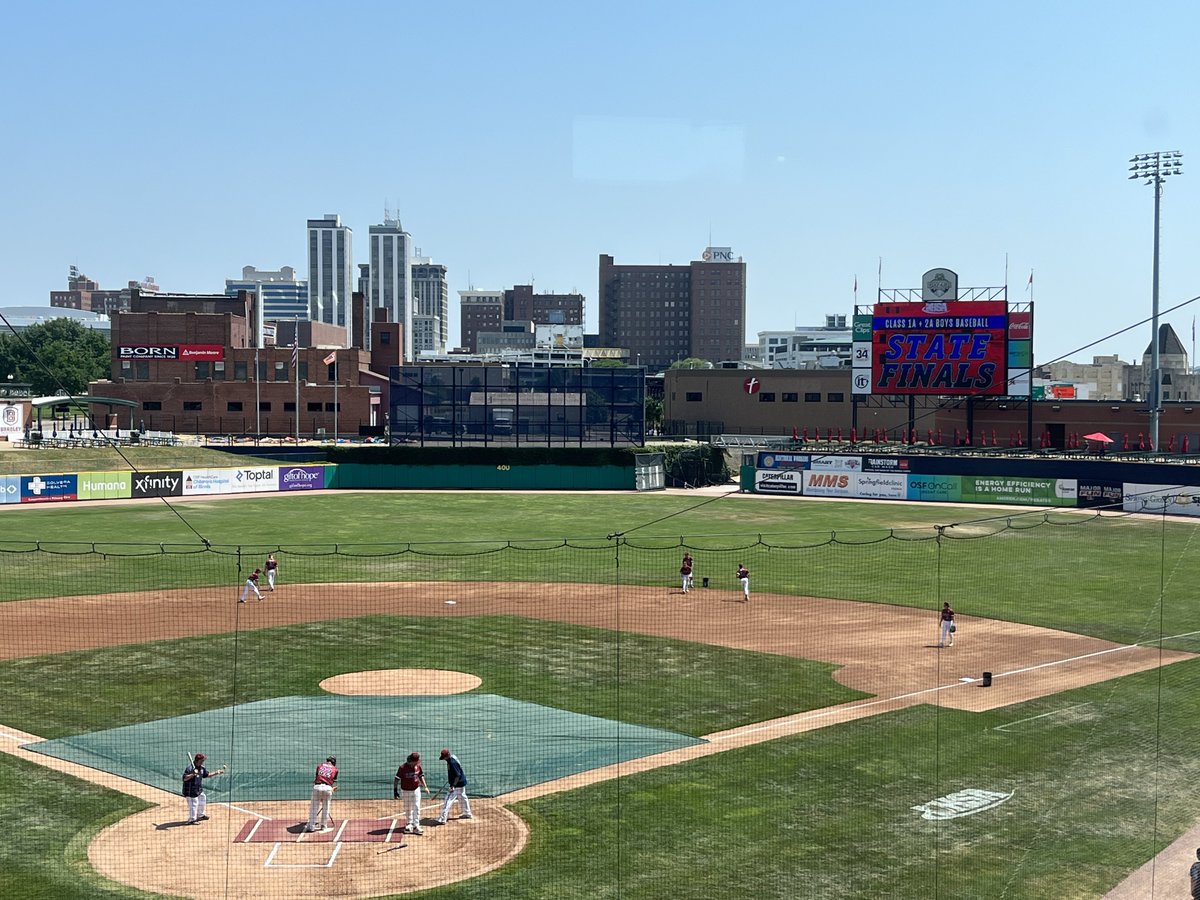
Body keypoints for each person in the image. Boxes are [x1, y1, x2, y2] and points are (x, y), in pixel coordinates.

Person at [182, 752, 225, 824]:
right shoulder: (189, 768)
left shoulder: (201, 768)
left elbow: (207, 775)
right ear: (198, 760)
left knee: (202, 798)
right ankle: (192, 820)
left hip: (198, 789)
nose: (203, 761)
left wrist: (217, 772)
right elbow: (184, 778)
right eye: (202, 760)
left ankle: (200, 814)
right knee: (194, 804)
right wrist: (193, 774)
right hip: (190, 791)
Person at [393, 751, 429, 835]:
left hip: (416, 789)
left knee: (417, 807)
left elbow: (421, 776)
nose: (418, 762)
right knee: (408, 808)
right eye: (416, 761)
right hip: (405, 791)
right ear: (412, 761)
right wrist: (395, 791)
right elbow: (396, 779)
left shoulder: (418, 766)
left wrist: (425, 787)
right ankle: (409, 824)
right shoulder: (402, 768)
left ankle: (416, 826)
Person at [435, 748, 473, 824]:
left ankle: (442, 819)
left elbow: (457, 775)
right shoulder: (453, 757)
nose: (444, 759)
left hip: (457, 784)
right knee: (462, 797)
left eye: (444, 758)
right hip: (462, 782)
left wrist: (453, 786)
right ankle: (467, 813)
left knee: (448, 800)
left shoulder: (452, 763)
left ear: (447, 756)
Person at [305, 755, 338, 832]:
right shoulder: (335, 769)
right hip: (327, 789)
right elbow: (332, 780)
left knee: (314, 808)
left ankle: (311, 826)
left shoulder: (319, 766)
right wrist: (331, 789)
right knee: (326, 807)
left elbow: (317, 777)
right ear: (334, 762)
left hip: (317, 787)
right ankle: (323, 825)